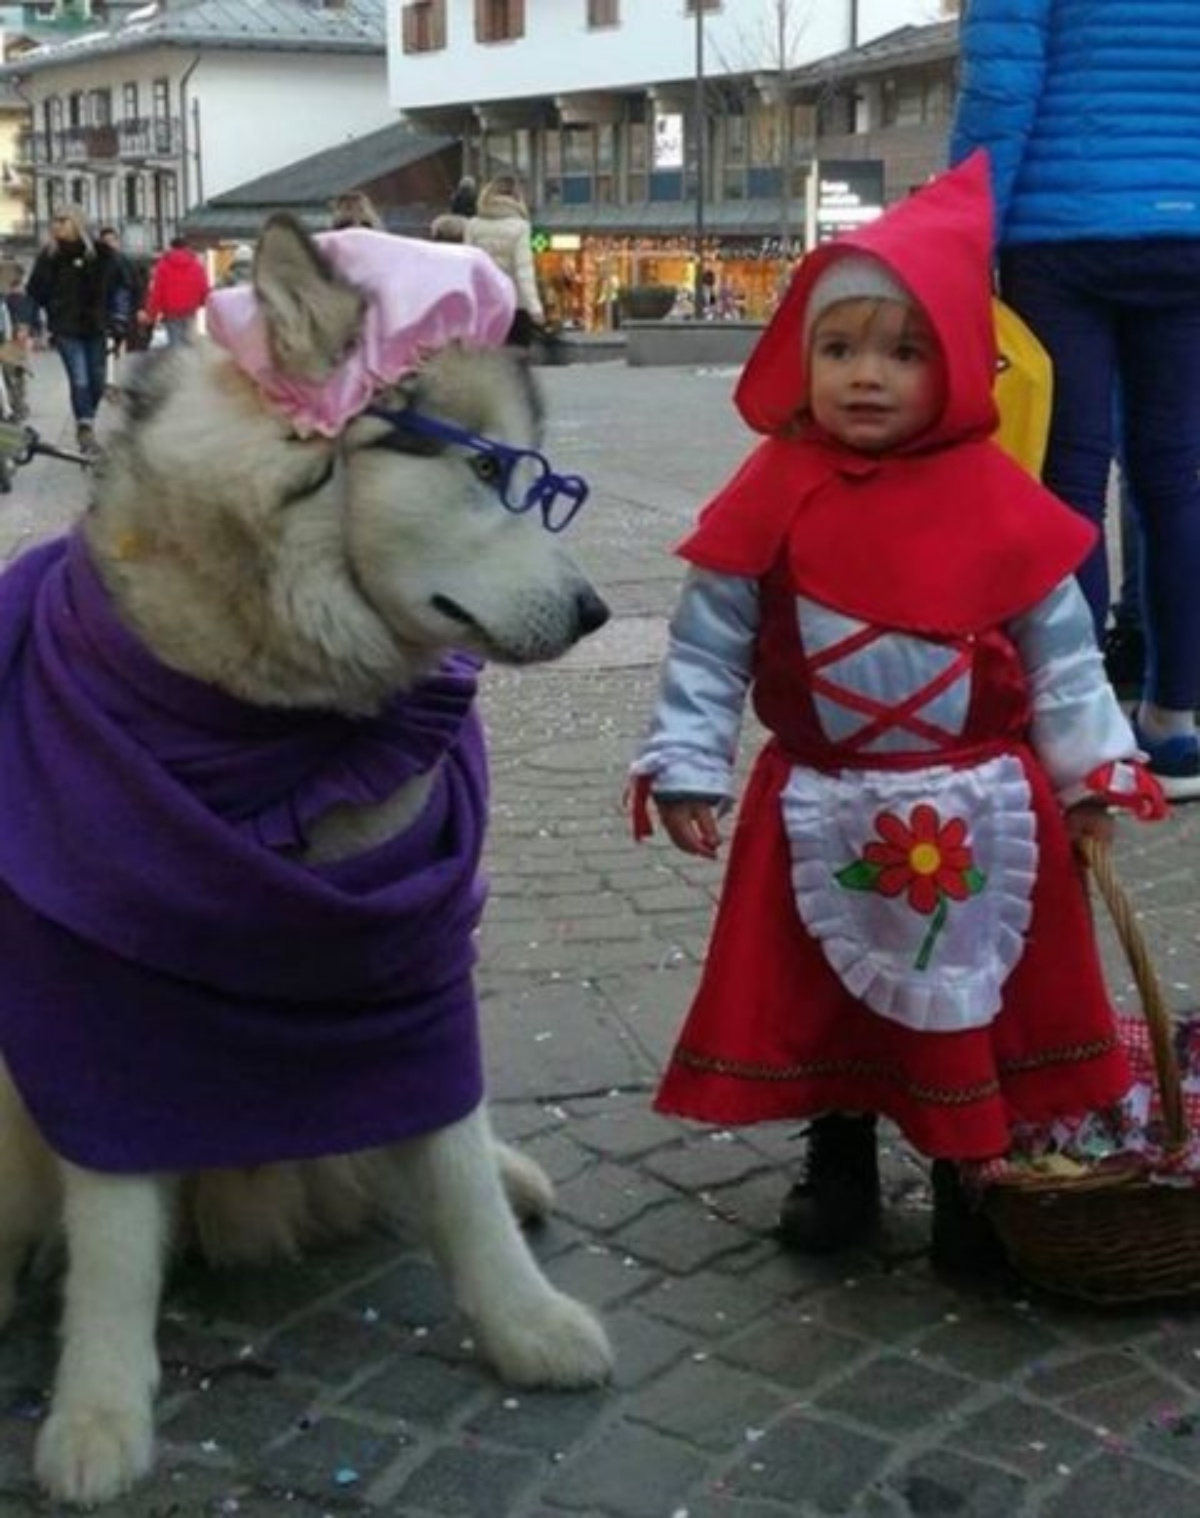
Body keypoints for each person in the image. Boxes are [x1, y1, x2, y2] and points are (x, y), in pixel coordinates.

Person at [627, 155, 1165, 1259]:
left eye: (903, 352)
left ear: (959, 365)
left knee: (980, 990)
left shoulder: (996, 503)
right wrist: (687, 762)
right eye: (839, 349)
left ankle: (978, 1171)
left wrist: (1091, 773)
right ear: (803, 360)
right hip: (819, 795)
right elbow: (710, 645)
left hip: (978, 802)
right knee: (831, 991)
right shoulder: (769, 492)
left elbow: (1062, 657)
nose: (866, 376)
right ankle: (841, 1155)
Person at [950, 0, 1200, 800]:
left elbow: (1001, 87)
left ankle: (1080, 734)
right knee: (1179, 483)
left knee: (1068, 487)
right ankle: (1177, 721)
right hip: (1189, 231)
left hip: (1061, 235)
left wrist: (966, 237)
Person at [26, 205, 119, 450]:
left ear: (76, 222)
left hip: (95, 325)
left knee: (97, 380)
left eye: (62, 220)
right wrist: (34, 320)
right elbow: (34, 292)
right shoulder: (49, 255)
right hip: (66, 327)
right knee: (80, 378)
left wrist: (118, 317)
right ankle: (85, 427)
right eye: (54, 220)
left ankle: (87, 418)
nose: (56, 225)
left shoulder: (101, 254)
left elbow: (120, 284)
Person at [464, 174, 544, 347]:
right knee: (517, 362)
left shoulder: (472, 225)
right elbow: (524, 271)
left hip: (484, 305)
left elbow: (468, 269)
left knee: (486, 362)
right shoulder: (521, 227)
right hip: (515, 306)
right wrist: (535, 308)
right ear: (517, 198)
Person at [139, 235, 210, 347]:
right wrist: (200, 303)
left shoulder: (163, 266)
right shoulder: (196, 265)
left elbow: (157, 292)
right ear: (186, 247)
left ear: (171, 247)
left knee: (175, 346)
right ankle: (188, 363)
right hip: (190, 311)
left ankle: (177, 363)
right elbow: (203, 288)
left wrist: (151, 314)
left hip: (171, 313)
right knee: (190, 345)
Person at [2, 268, 40, 421]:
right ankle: (18, 404)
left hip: (16, 339)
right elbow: (35, 320)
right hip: (18, 339)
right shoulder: (23, 299)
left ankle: (17, 404)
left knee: (13, 374)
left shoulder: (11, 299)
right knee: (16, 374)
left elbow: (35, 320)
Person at [430, 176, 478, 244]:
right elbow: (475, 210)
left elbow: (453, 208)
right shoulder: (475, 196)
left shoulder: (455, 196)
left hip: (456, 217)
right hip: (468, 219)